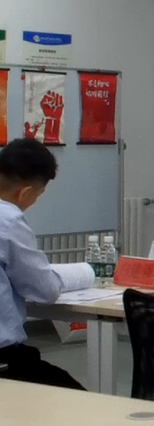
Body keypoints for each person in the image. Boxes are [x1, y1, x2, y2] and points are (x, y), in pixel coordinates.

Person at [0, 139, 93, 390]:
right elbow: (45, 290)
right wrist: (84, 273)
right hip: (5, 361)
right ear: (25, 192)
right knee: (79, 398)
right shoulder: (8, 220)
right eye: (38, 194)